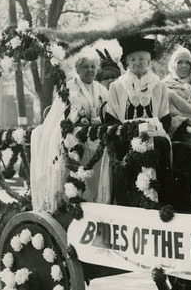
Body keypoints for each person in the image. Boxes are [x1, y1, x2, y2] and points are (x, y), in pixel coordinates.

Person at [30, 50, 110, 211]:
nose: (90, 70)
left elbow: (108, 113)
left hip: (97, 135)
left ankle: (98, 203)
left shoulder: (101, 89)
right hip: (74, 135)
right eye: (86, 67)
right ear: (78, 69)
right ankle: (73, 201)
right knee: (75, 149)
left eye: (93, 67)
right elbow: (61, 116)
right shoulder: (69, 88)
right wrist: (78, 119)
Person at [105, 35, 173, 205]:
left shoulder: (159, 85)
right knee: (123, 150)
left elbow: (165, 117)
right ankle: (128, 202)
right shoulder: (117, 86)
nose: (137, 63)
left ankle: (160, 201)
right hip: (126, 133)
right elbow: (111, 117)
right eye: (133, 59)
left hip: (153, 130)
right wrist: (127, 131)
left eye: (142, 59)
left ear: (148, 61)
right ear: (127, 63)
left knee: (161, 145)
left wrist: (153, 130)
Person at [163, 47, 191, 138]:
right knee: (168, 94)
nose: (184, 66)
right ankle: (186, 127)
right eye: (179, 62)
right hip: (175, 127)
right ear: (172, 65)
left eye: (187, 63)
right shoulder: (164, 84)